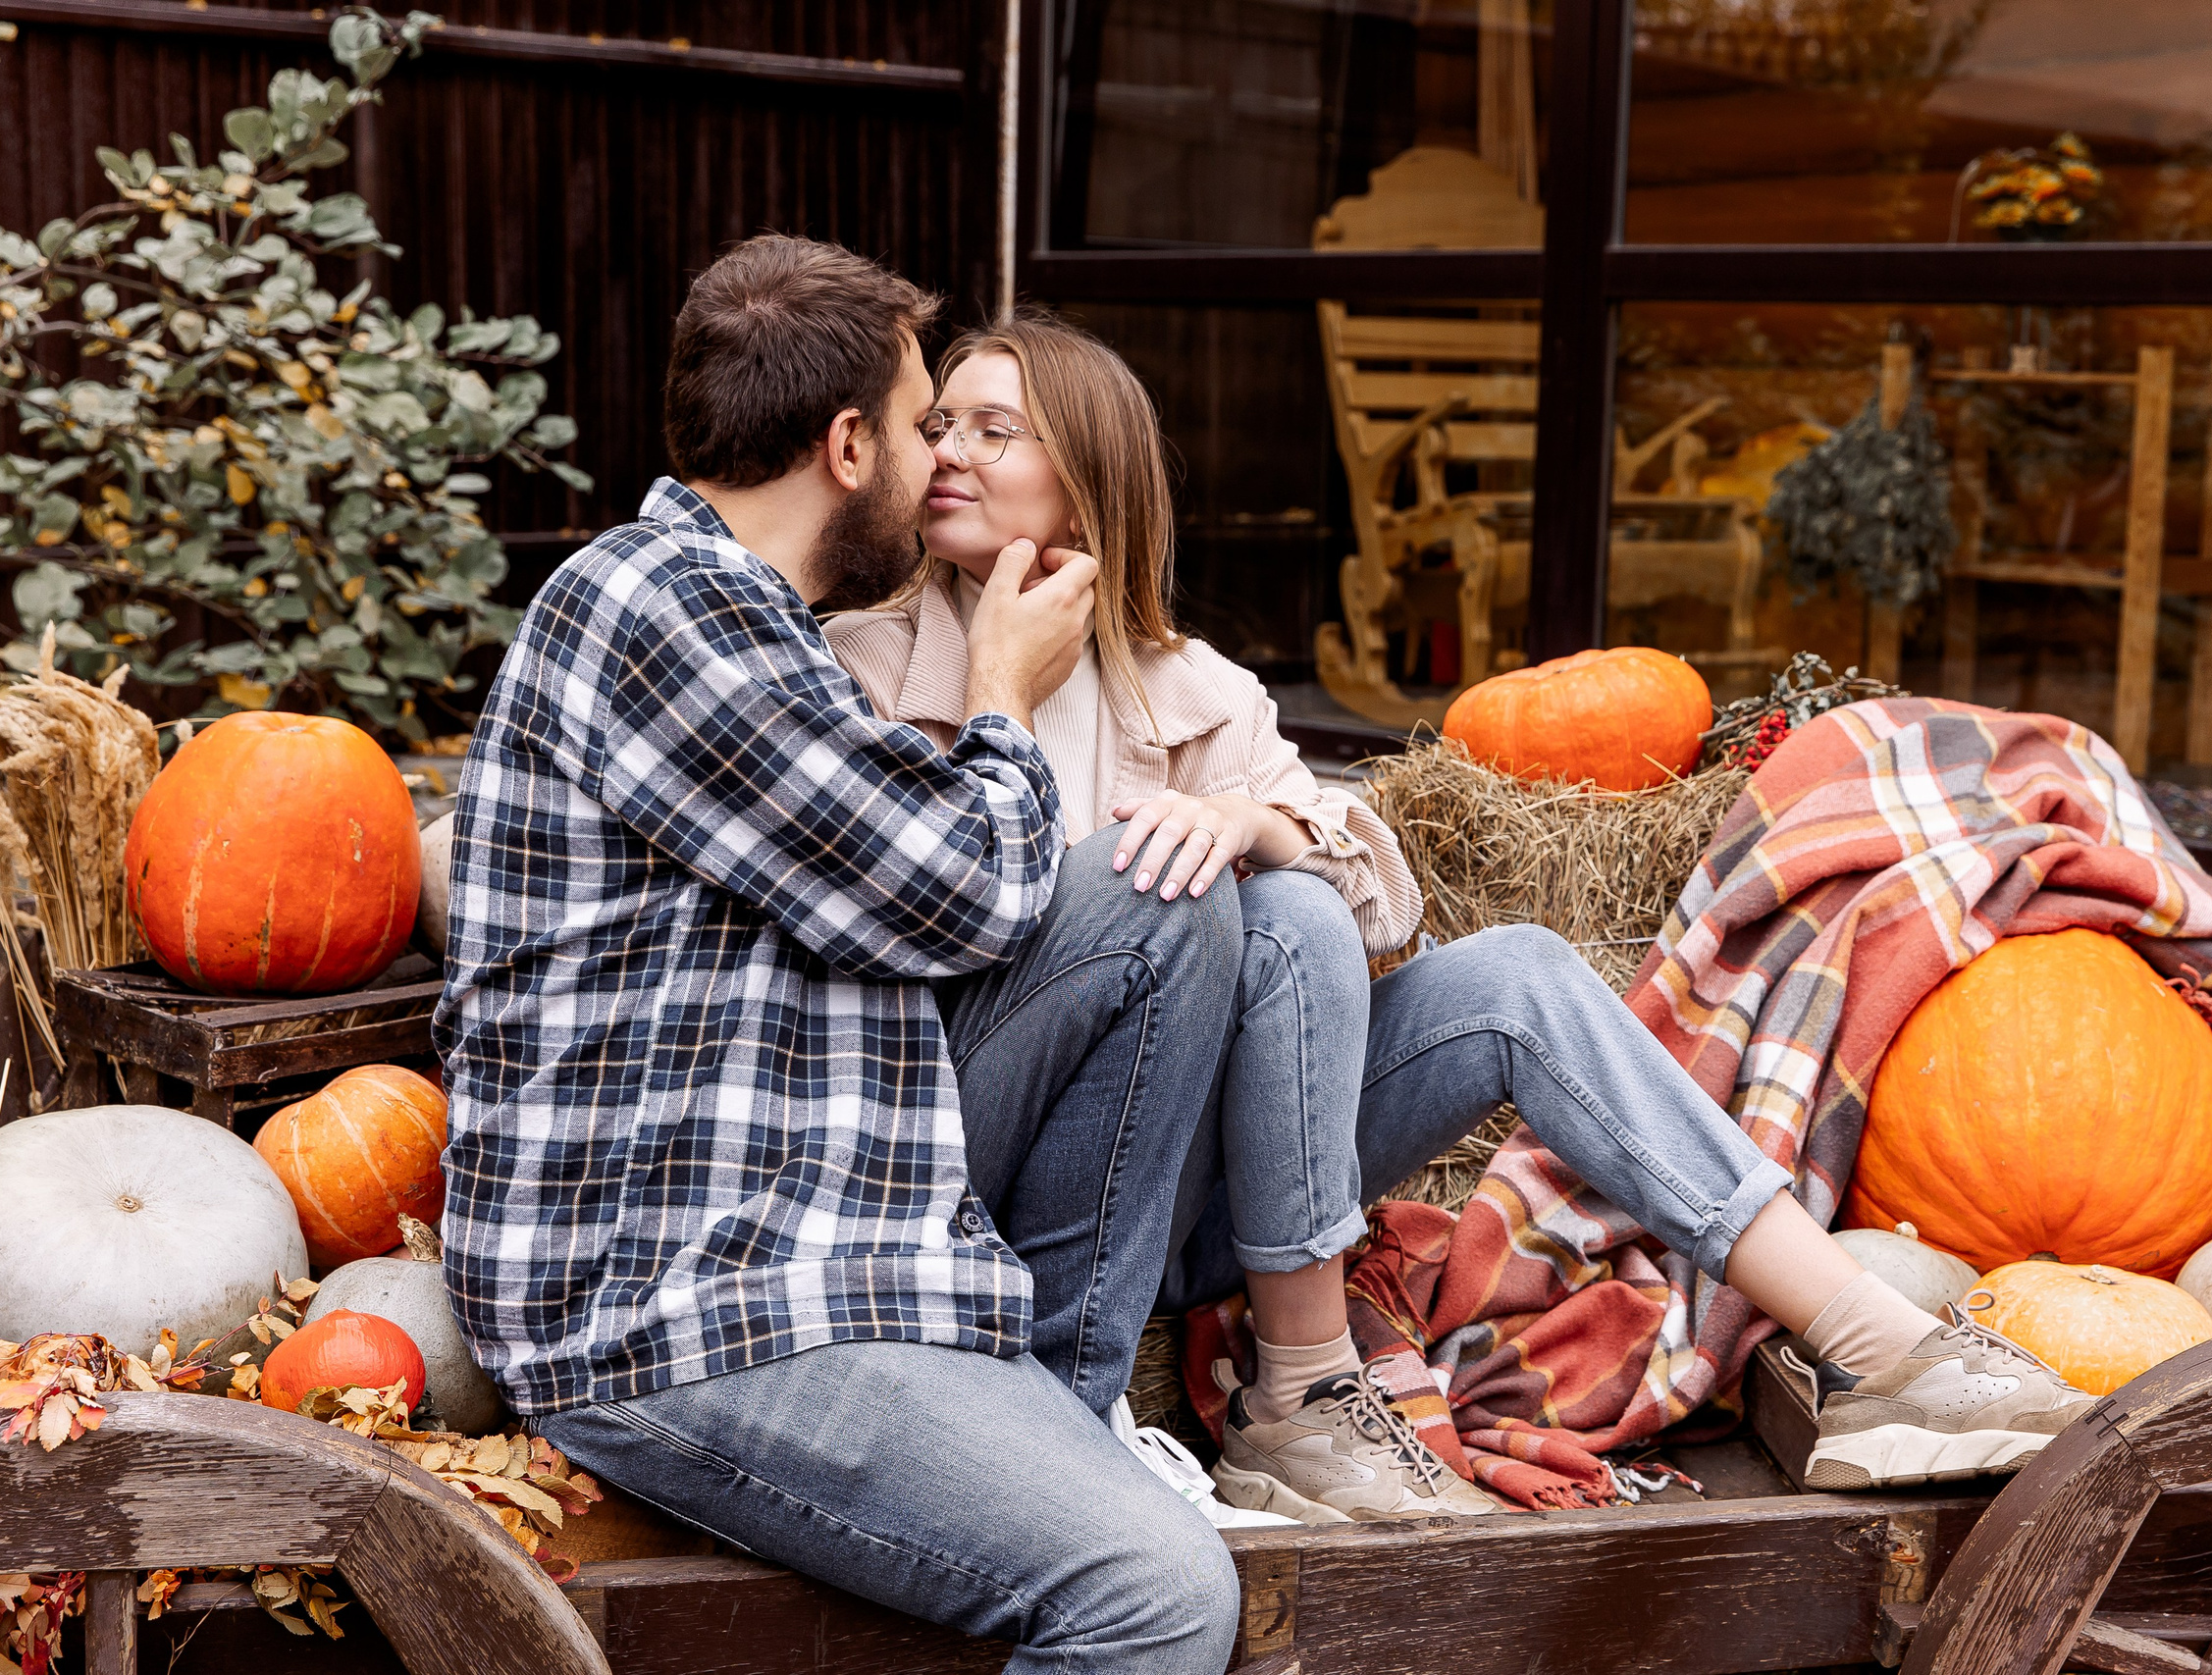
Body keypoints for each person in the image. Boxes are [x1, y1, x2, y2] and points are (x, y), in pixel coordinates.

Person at [825, 308, 2094, 1516]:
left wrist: (1254, 825)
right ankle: (1306, 1388)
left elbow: (1389, 909)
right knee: (1283, 917)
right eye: (937, 426)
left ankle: (1875, 1347)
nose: (948, 453)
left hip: (1223, 1184)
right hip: (1020, 1169)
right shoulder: (865, 668)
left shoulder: (1193, 690)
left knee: (1508, 970)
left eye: (996, 429)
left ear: (1089, 463)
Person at [433, 237, 1249, 1672]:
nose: (942, 455)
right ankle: (1078, 1484)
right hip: (671, 1307)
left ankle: (1064, 1418)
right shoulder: (657, 609)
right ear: (850, 442)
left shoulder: (758, 626)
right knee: (1160, 1595)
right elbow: (968, 897)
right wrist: (1004, 689)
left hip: (801, 1238)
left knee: (1155, 896)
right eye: (929, 421)